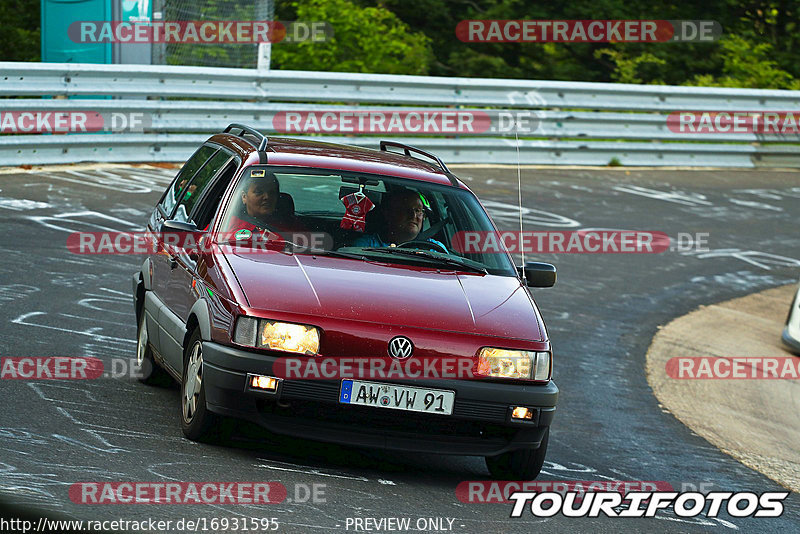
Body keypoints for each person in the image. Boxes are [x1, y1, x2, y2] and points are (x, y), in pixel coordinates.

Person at [352, 189, 447, 251]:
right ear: (388, 214)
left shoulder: (435, 249)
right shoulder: (365, 246)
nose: (413, 215)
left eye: (418, 211)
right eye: (405, 210)